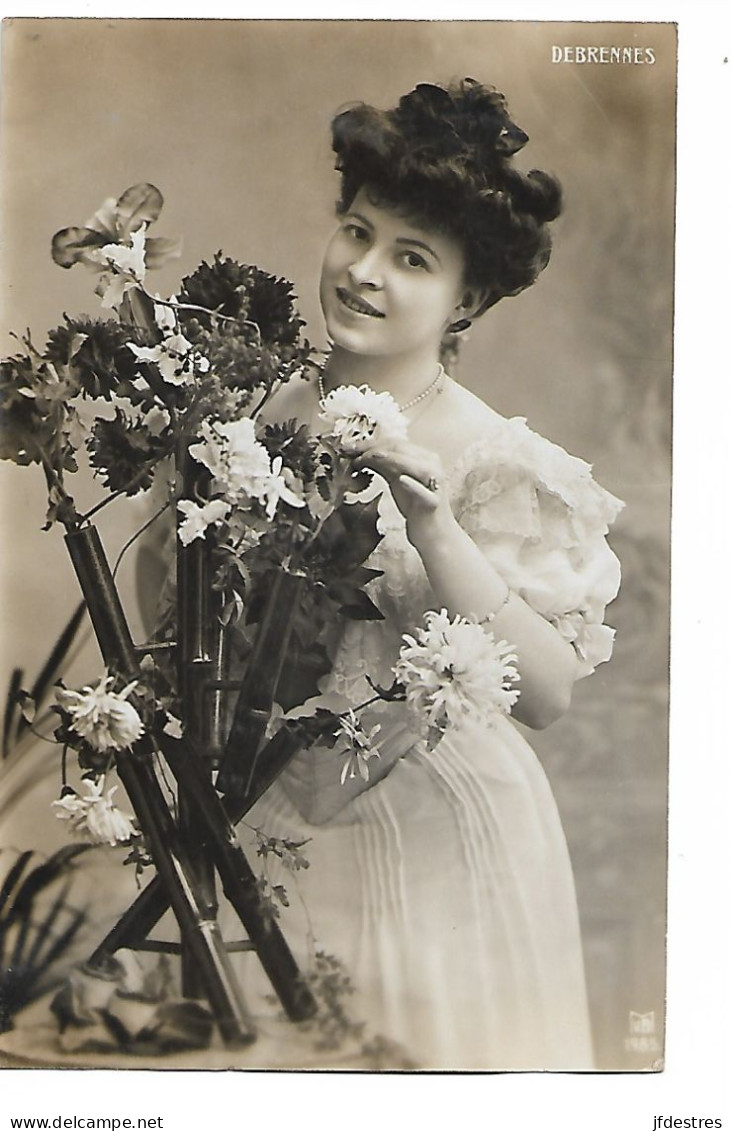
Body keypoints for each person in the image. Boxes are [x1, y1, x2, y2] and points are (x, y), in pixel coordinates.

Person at [232, 79, 623, 1071]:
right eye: (357, 233)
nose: (364, 272)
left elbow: (549, 693)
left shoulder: (501, 461)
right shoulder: (260, 415)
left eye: (411, 258)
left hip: (438, 814)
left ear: (469, 298)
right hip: (267, 808)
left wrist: (435, 528)